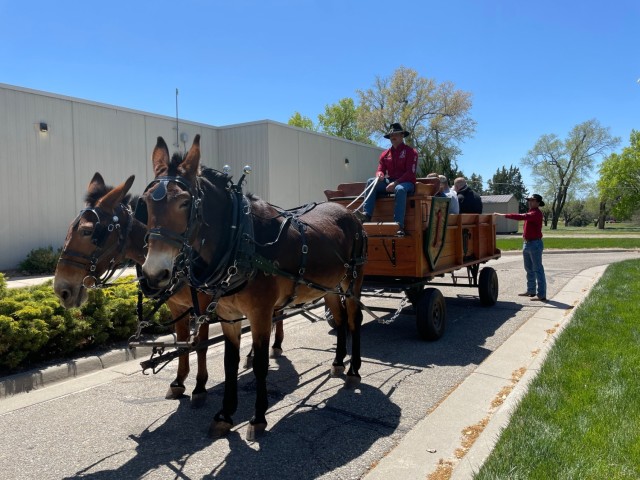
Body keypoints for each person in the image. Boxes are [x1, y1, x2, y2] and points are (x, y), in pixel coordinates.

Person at [361, 123, 418, 236]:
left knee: (400, 189)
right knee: (371, 182)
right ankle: (366, 215)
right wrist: (380, 175)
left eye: (395, 134)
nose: (393, 137)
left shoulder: (411, 152)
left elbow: (410, 173)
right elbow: (380, 169)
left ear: (402, 135)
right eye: (391, 135)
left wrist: (396, 182)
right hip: (390, 181)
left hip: (407, 183)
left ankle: (399, 225)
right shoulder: (385, 154)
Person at [495, 194, 547, 301]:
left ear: (538, 202)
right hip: (527, 243)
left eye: (532, 200)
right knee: (529, 269)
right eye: (529, 200)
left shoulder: (536, 213)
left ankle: (541, 294)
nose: (530, 202)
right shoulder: (531, 213)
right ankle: (531, 290)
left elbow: (520, 217)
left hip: (535, 244)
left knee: (537, 269)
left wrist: (502, 215)